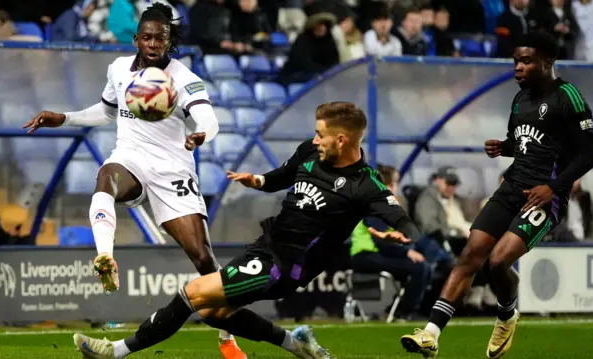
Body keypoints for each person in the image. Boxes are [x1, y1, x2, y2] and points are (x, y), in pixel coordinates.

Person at [72, 101, 421, 359]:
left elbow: (397, 215)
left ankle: (114, 351)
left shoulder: (365, 184)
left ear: (343, 140)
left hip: (286, 266)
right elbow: (281, 178)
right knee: (212, 313)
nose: (315, 140)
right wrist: (258, 180)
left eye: (321, 134)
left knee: (193, 292)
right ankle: (296, 344)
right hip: (266, 247)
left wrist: (404, 233)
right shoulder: (310, 153)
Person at [22, 4, 245, 359]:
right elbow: (107, 112)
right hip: (130, 158)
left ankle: (227, 338)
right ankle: (105, 257)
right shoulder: (118, 69)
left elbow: (208, 117)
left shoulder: (183, 77)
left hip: (173, 171)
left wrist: (202, 133)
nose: (154, 43)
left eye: (162, 38)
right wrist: (63, 117)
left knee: (203, 259)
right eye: (148, 37)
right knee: (105, 179)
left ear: (169, 41)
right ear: (136, 38)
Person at [401, 31, 593, 359]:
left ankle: (506, 313)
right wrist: (503, 147)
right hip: (510, 188)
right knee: (470, 254)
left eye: (525, 61)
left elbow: (588, 154)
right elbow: (524, 143)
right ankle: (431, 334)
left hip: (543, 197)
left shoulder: (568, 96)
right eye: (515, 61)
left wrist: (554, 187)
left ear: (547, 62)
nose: (517, 68)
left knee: (497, 262)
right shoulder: (519, 100)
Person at [350, 164, 430, 320]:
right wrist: (407, 252)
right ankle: (404, 312)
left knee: (421, 267)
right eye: (394, 184)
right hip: (366, 256)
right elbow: (380, 241)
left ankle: (396, 310)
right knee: (418, 268)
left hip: (372, 255)